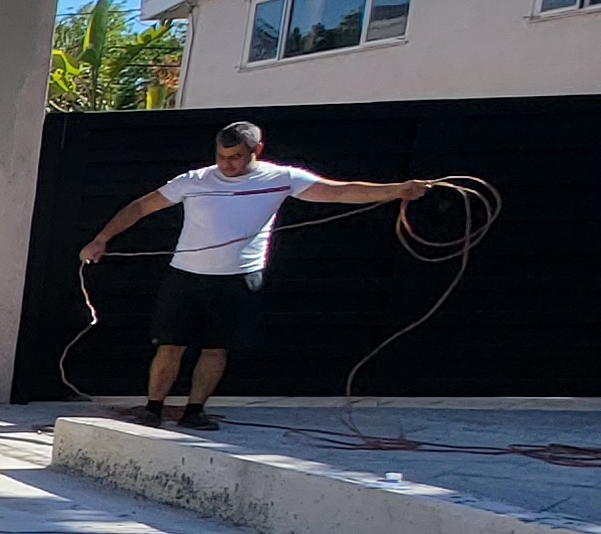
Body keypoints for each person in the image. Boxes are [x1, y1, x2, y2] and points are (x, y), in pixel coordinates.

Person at [77, 121, 423, 430]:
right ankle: (153, 407)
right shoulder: (194, 180)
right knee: (170, 344)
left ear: (257, 150)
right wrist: (102, 238)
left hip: (238, 278)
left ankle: (194, 410)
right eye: (223, 156)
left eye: (237, 157)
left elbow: (339, 191)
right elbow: (141, 206)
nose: (228, 164)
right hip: (186, 276)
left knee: (215, 348)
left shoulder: (281, 178)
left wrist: (396, 190)